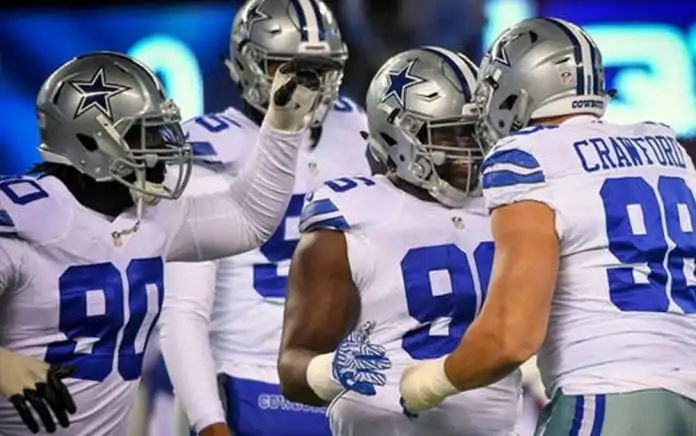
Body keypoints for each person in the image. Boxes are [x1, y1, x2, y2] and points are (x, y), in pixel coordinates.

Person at [0, 50, 335, 435]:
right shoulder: (22, 218)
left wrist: (282, 125)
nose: (161, 148)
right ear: (89, 141)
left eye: (160, 130)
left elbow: (248, 219)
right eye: (143, 134)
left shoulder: (152, 217)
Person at [398, 17, 696, 435]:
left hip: (607, 389)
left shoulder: (527, 157)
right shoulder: (667, 147)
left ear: (522, 87)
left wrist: (426, 385)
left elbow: (511, 338)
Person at [278, 46, 522, 435]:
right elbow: (293, 367)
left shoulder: (511, 202)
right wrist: (332, 371)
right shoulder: (351, 219)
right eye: (451, 134)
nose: (470, 149)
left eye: (477, 132)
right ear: (398, 136)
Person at [157, 1, 372, 435]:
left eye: (319, 70)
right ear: (248, 64)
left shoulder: (358, 132)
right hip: (246, 378)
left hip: (346, 381)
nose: (304, 85)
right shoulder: (212, 151)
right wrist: (209, 419)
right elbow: (184, 311)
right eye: (286, 68)